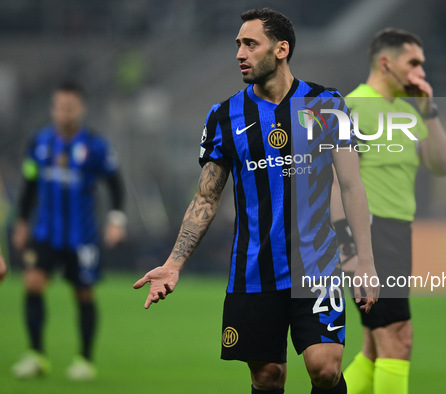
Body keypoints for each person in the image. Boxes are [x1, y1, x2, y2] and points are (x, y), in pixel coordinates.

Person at [134, 8, 378, 394]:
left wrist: (364, 262)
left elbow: (351, 187)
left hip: (316, 267)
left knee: (325, 368)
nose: (240, 54)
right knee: (267, 377)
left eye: (250, 44)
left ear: (281, 49)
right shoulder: (224, 115)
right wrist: (173, 264)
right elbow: (206, 197)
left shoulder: (327, 104)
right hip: (253, 270)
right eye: (238, 45)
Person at [331, 28, 446, 394]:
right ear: (386, 63)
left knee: (374, 347)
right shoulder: (350, 107)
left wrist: (429, 110)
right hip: (370, 235)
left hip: (398, 233)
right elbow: (334, 183)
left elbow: (443, 165)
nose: (420, 70)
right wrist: (348, 247)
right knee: (398, 339)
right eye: (413, 62)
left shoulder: (408, 111)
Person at [11, 82, 126, 380]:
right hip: (46, 232)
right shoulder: (39, 143)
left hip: (82, 236)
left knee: (83, 294)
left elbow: (115, 183)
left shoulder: (95, 146)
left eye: (70, 107)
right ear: (53, 108)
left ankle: (84, 360)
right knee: (33, 284)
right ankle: (37, 355)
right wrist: (22, 222)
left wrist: (116, 219)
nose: (64, 113)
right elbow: (29, 185)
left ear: (81, 109)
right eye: (60, 107)